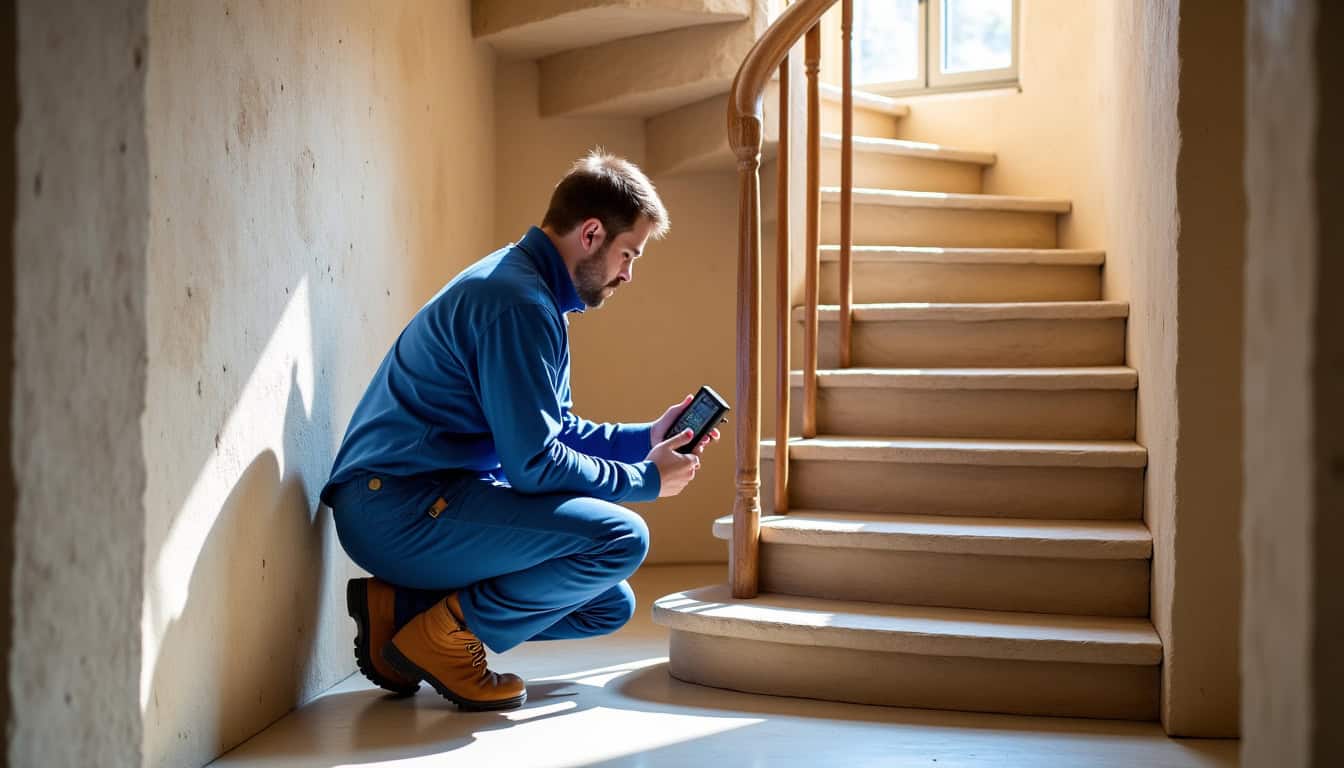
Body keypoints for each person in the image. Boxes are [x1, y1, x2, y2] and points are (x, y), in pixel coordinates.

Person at [319, 150, 718, 712]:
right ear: (592, 233)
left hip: (425, 499)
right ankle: (445, 636)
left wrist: (646, 437)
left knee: (607, 604)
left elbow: (557, 430)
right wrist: (644, 480)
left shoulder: (534, 294)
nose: (628, 272)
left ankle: (405, 612)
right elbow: (535, 467)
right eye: (629, 253)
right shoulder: (515, 303)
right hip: (395, 508)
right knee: (621, 538)